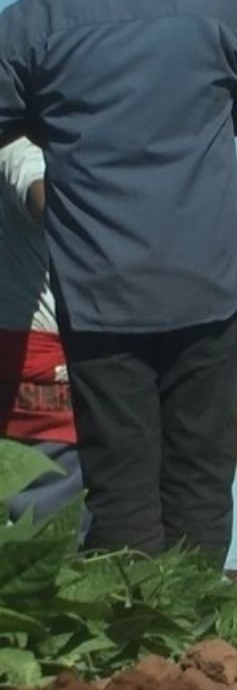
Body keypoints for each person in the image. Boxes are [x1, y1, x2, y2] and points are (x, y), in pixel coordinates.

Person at [0, 0, 237, 566]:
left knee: (121, 493)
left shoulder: (32, 22)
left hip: (100, 292)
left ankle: (138, 641)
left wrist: (60, 118)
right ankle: (197, 645)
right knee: (199, 482)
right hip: (206, 280)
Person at [0, 136, 87, 539]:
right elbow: (42, 196)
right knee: (52, 541)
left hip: (33, 356)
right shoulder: (21, 143)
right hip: (40, 367)